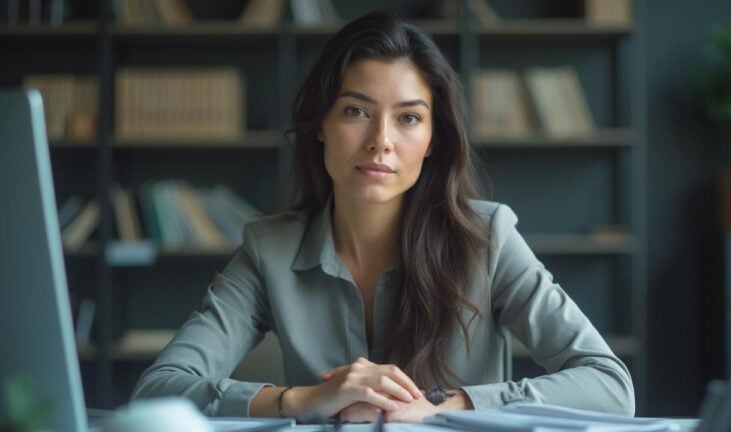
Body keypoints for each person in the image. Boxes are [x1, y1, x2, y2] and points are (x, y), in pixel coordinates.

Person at [132, 11, 635, 423]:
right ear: (322, 125)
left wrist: (449, 404)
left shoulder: (488, 237)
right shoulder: (271, 249)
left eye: (409, 118)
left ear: (433, 140)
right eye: (356, 111)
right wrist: (304, 399)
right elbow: (158, 392)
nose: (381, 141)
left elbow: (610, 385)